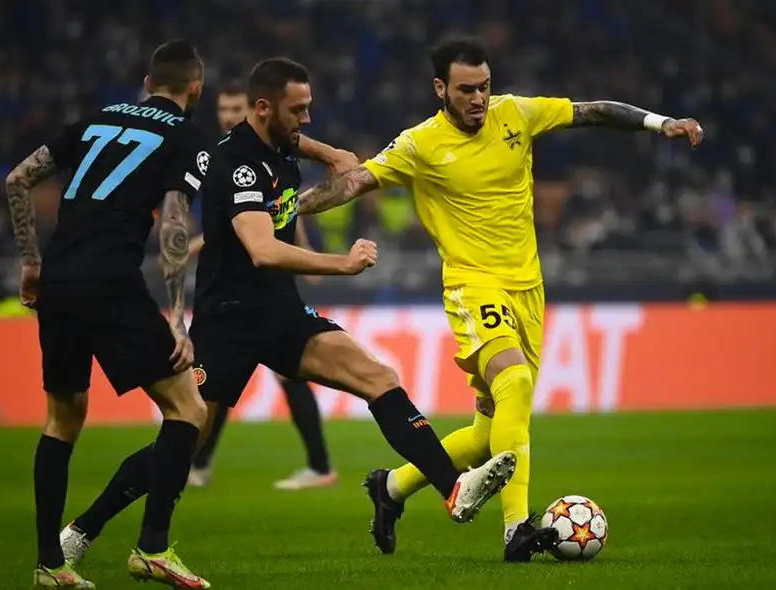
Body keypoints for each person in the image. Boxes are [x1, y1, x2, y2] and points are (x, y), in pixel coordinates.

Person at [57, 56, 517, 571]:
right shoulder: (237, 164)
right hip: (228, 322)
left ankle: (453, 491)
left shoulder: (280, 143)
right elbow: (263, 250)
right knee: (182, 442)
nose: (308, 119)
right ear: (262, 108)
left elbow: (320, 156)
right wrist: (341, 265)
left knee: (378, 376)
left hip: (280, 313)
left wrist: (326, 151)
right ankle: (82, 530)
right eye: (298, 110)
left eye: (309, 108)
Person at [295, 36, 704, 561]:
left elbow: (593, 111)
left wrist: (658, 123)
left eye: (484, 87)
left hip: (528, 290)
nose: (478, 99)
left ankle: (391, 487)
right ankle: (517, 529)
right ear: (441, 88)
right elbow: (351, 184)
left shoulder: (516, 114)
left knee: (491, 437)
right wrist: (283, 210)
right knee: (515, 379)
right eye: (466, 89)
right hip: (472, 285)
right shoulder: (419, 145)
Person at [6, 39, 211, 588]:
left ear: (147, 82)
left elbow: (17, 179)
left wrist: (32, 263)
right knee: (189, 409)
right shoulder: (187, 136)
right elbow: (173, 221)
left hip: (60, 282)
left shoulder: (97, 120)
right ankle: (153, 548)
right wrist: (175, 315)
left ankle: (50, 563)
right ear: (195, 87)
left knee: (63, 418)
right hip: (111, 283)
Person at [185, 81, 356, 491]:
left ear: (252, 109)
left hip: (265, 286)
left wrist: (306, 248)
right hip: (234, 288)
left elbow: (272, 215)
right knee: (229, 382)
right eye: (222, 109)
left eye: (234, 107)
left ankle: (317, 465)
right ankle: (205, 462)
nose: (228, 115)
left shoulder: (258, 152)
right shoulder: (223, 156)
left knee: (254, 378)